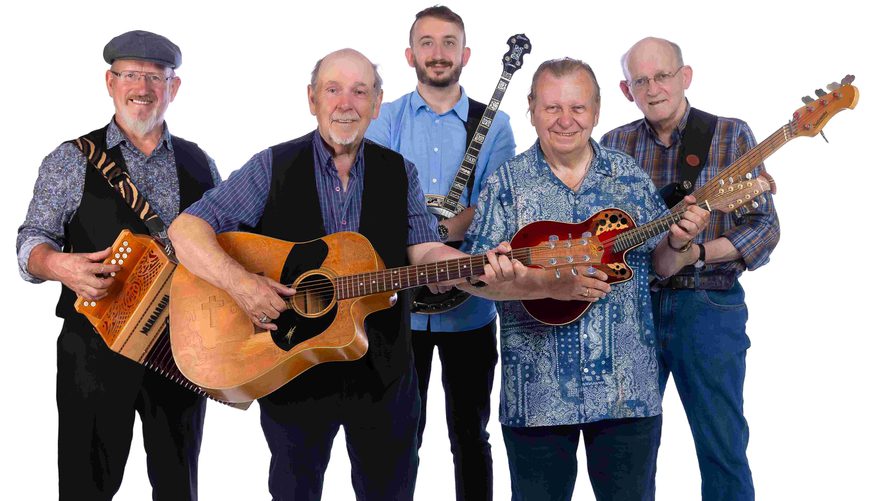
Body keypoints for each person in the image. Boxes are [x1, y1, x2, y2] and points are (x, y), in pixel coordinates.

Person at [167, 48, 511, 501]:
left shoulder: (400, 172)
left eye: (359, 91)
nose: (345, 104)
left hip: (384, 373)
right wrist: (242, 284)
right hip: (292, 366)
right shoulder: (271, 166)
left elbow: (424, 250)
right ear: (312, 99)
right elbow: (185, 229)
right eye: (333, 90)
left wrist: (472, 267)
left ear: (376, 103)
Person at [458, 58, 709, 501]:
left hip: (626, 392)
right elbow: (475, 278)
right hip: (536, 398)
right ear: (531, 109)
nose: (566, 120)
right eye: (552, 107)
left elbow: (663, 265)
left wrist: (680, 242)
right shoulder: (505, 185)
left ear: (596, 111)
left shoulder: (629, 178)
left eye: (577, 107)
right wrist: (544, 285)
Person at [16, 30, 220, 500]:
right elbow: (32, 240)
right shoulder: (70, 159)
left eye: (155, 77)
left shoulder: (201, 163)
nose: (142, 88)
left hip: (180, 346)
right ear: (110, 83)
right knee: (86, 487)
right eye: (130, 75)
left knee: (178, 486)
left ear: (173, 87)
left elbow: (223, 244)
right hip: (94, 349)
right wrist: (58, 265)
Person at [600, 37, 781, 501]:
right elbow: (599, 235)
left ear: (685, 77)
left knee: (722, 446)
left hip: (708, 304)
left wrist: (696, 252)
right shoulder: (613, 145)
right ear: (626, 90)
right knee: (627, 452)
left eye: (662, 76)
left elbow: (763, 228)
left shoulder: (731, 134)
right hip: (631, 308)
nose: (653, 88)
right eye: (641, 80)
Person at [365, 6, 515, 499]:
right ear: (410, 55)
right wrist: (424, 244)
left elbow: (495, 201)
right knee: (396, 435)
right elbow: (375, 197)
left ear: (465, 54)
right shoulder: (384, 119)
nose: (438, 52)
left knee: (470, 437)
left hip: (470, 308)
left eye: (449, 42)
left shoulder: (494, 124)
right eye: (426, 42)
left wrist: (441, 229)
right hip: (397, 307)